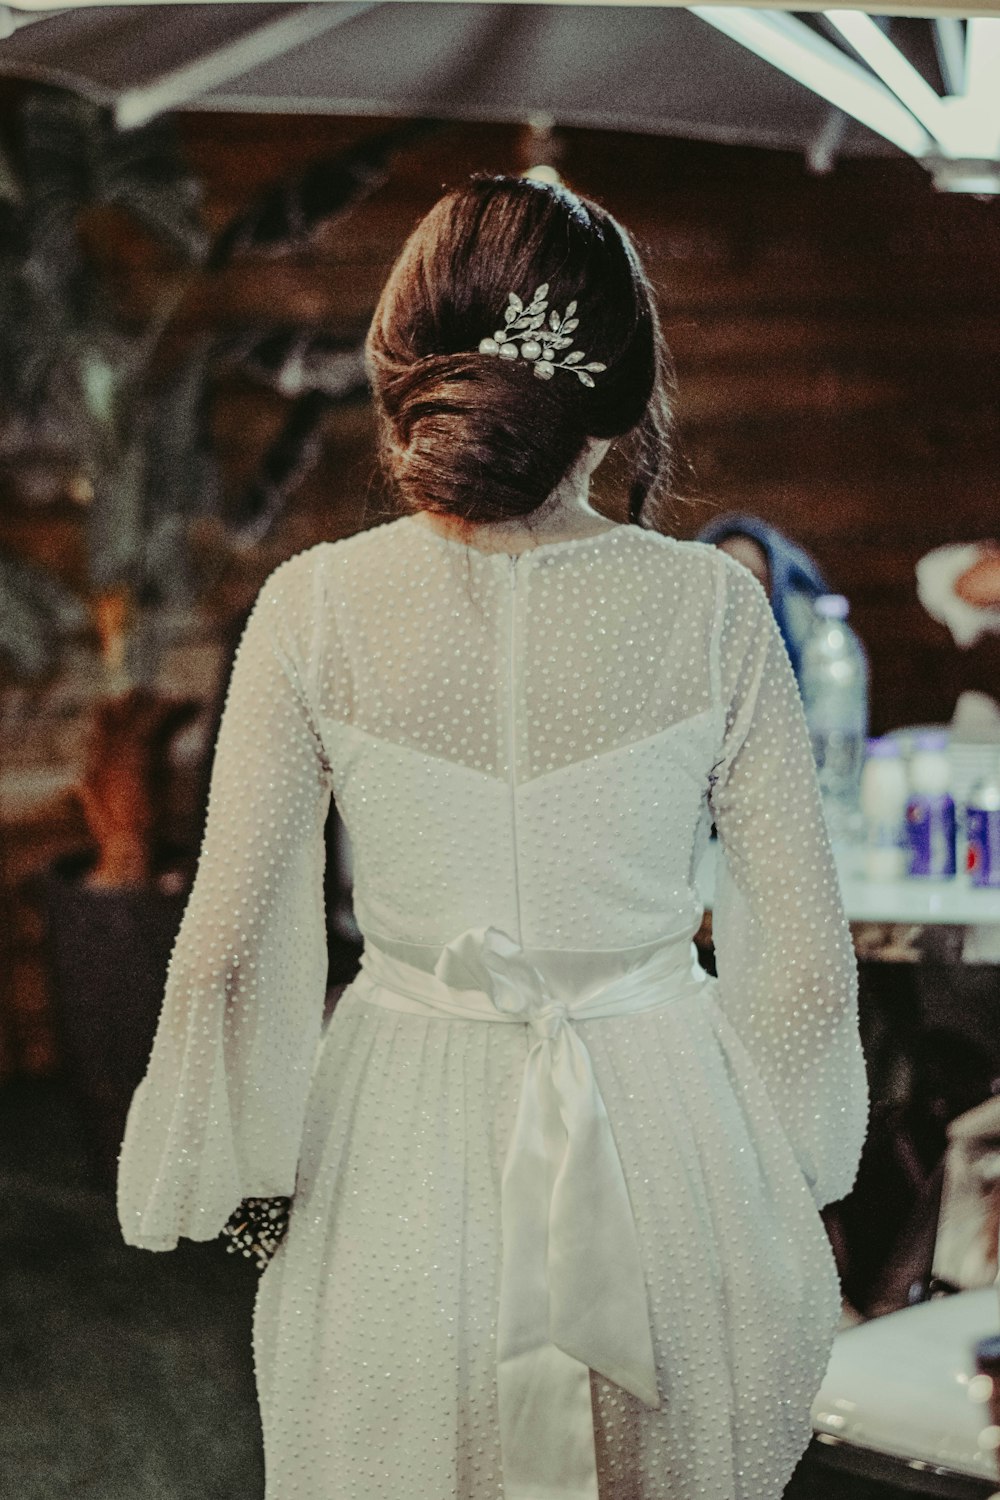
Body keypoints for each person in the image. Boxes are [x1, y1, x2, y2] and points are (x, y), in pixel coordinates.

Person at [116, 175, 870, 1500]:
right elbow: (803, 958)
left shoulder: (315, 608)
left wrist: (232, 1176)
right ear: (621, 397)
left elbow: (226, 940)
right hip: (664, 1137)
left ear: (405, 376)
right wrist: (790, 1177)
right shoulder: (715, 612)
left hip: (407, 1147)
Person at [696, 512, 836, 686]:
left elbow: (832, 710)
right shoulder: (687, 636)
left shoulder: (820, 640)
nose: (738, 592)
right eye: (724, 578)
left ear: (775, 584)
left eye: (753, 578)